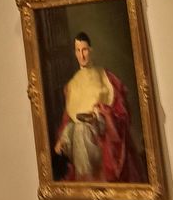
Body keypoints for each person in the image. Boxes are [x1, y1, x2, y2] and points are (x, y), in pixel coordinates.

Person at [52, 31, 145, 183]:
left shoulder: (106, 76)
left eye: (84, 50)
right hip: (80, 131)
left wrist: (102, 111)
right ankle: (86, 181)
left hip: (102, 127)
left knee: (81, 130)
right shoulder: (72, 84)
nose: (82, 55)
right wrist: (62, 138)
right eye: (78, 50)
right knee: (75, 130)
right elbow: (68, 118)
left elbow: (121, 111)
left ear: (91, 50)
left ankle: (90, 179)